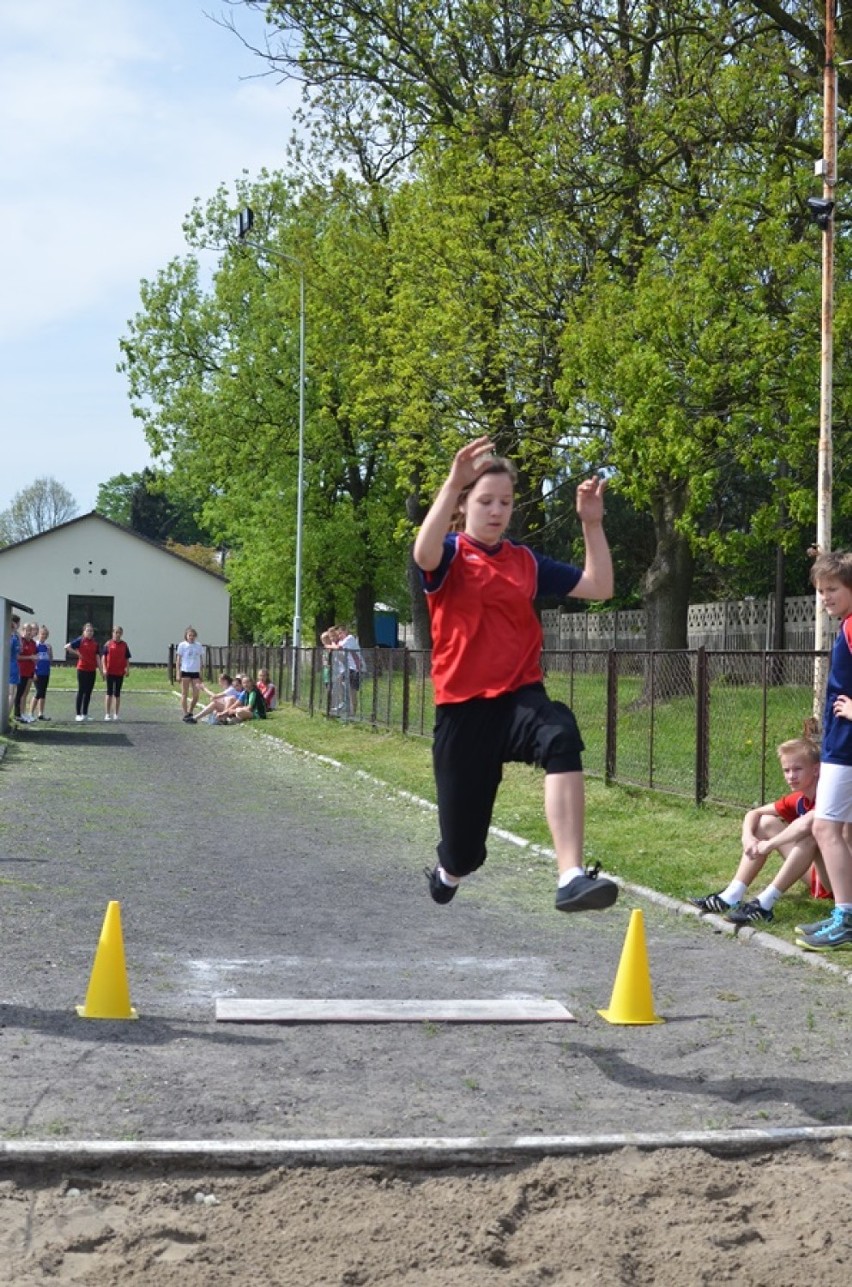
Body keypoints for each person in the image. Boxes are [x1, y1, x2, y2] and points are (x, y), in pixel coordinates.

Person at [412, 435, 618, 914]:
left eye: (505, 502)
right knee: (465, 851)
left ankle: (570, 875)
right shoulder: (449, 555)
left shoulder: (525, 562)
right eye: (485, 501)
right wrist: (450, 481)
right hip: (463, 712)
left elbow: (600, 586)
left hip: (519, 698)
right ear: (463, 505)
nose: (497, 511)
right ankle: (448, 872)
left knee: (561, 734)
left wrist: (592, 523)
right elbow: (422, 552)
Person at [690, 737, 830, 925]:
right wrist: (747, 838)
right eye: (786, 770)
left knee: (810, 836)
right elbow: (754, 813)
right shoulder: (798, 798)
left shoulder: (830, 795)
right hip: (818, 875)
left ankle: (764, 904)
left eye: (797, 769)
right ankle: (732, 894)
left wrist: (769, 845)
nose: (791, 776)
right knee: (765, 822)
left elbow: (805, 824)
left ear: (816, 769)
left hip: (840, 879)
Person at [795, 552, 852, 951]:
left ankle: (845, 917)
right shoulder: (845, 626)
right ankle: (843, 914)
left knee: (824, 827)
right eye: (820, 591)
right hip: (837, 744)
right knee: (834, 829)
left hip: (846, 749)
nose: (825, 598)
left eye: (832, 589)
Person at [65, 623, 100, 722]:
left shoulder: (95, 643)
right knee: (81, 690)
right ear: (84, 632)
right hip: (82, 669)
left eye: (91, 631)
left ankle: (85, 713)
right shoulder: (80, 640)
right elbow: (67, 647)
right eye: (88, 630)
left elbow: (97, 657)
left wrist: (102, 671)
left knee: (88, 692)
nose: (90, 633)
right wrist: (77, 653)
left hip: (92, 670)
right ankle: (78, 714)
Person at [101, 626, 131, 721]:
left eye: (119, 633)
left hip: (119, 672)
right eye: (116, 632)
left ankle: (116, 714)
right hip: (110, 671)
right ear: (112, 633)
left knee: (117, 693)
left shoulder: (124, 645)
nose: (117, 634)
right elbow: (103, 657)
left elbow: (127, 658)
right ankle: (107, 714)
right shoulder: (108, 644)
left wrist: (127, 669)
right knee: (109, 692)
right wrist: (104, 669)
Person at [175, 627, 204, 722]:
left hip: (195, 671)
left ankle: (191, 710)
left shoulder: (198, 646)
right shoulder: (182, 645)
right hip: (185, 670)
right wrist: (178, 673)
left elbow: (200, 659)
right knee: (184, 693)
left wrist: (200, 672)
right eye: (189, 635)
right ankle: (185, 713)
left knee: (196, 694)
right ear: (186, 636)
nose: (191, 637)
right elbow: (178, 660)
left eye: (193, 636)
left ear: (195, 636)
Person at [14, 621, 37, 723]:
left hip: (30, 671)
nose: (29, 632)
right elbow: (17, 657)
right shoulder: (21, 641)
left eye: (30, 630)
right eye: (27, 630)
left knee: (25, 693)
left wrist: (35, 659)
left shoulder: (32, 642)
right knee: (19, 693)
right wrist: (30, 657)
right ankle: (17, 714)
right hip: (21, 671)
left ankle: (23, 713)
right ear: (23, 631)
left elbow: (35, 654)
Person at [29, 625, 54, 721]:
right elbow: (33, 660)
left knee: (43, 693)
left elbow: (50, 660)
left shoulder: (48, 646)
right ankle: (30, 713)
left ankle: (41, 713)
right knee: (38, 692)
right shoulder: (36, 645)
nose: (43, 636)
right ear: (38, 634)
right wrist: (34, 672)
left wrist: (49, 652)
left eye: (45, 634)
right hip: (37, 672)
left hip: (46, 672)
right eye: (42, 634)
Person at [338, 626, 363, 717]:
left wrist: (328, 645)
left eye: (341, 633)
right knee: (339, 682)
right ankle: (344, 706)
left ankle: (353, 713)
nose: (339, 636)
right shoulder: (342, 641)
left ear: (345, 631)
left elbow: (339, 647)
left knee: (352, 691)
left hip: (356, 669)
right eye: (338, 634)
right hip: (348, 669)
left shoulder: (350, 638)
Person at [8, 613, 21, 711]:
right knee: (11, 694)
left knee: (11, 693)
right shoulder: (13, 638)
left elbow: (20, 650)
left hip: (13, 666)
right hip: (11, 666)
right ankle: (5, 717)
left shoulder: (15, 637)